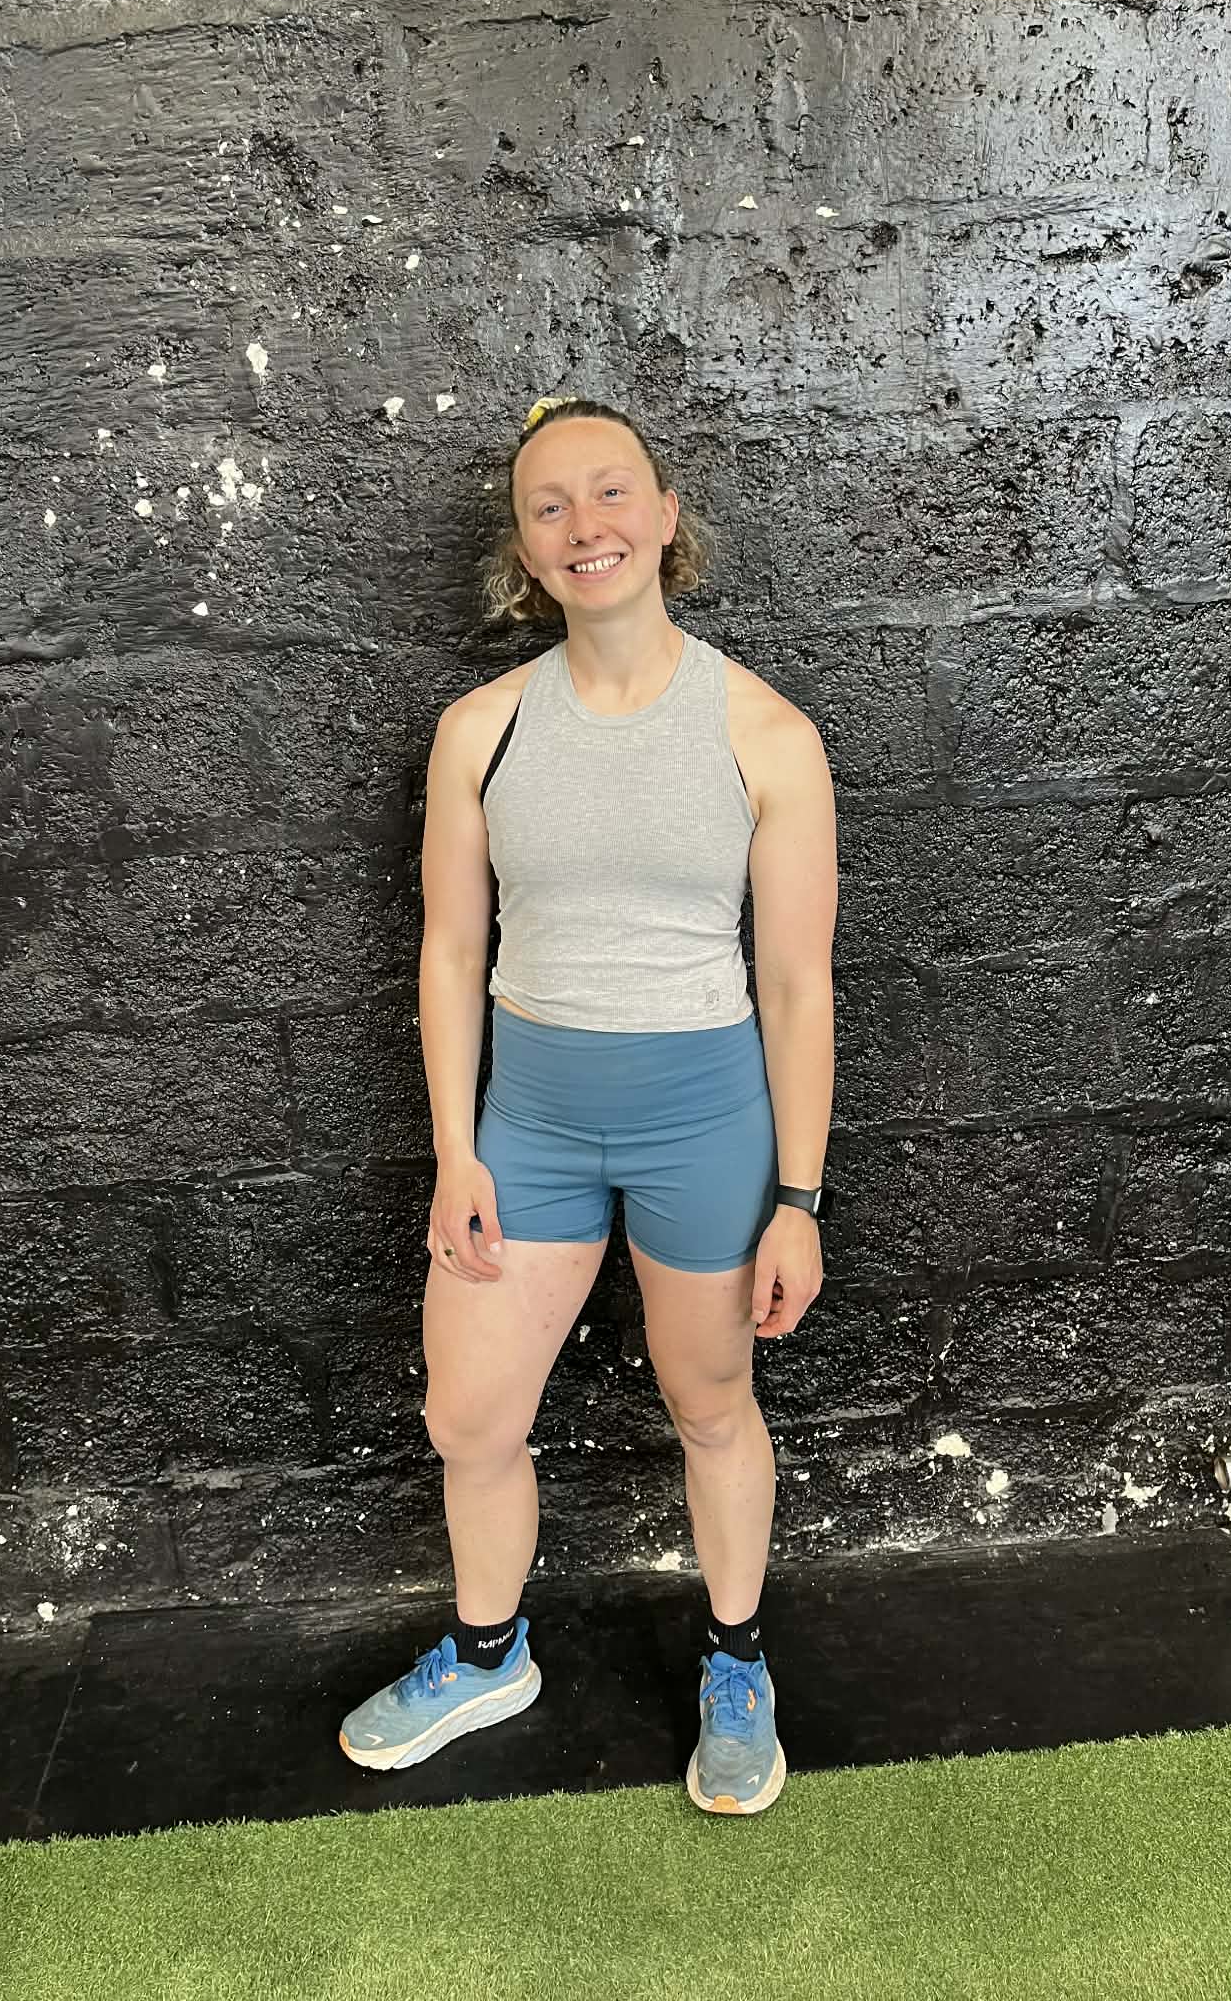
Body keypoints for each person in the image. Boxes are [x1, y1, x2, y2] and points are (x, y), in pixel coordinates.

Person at [338, 394, 837, 1815]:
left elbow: (799, 987)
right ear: (525, 549)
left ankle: (737, 1661)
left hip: (706, 1124)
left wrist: (796, 1197)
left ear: (668, 518)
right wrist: (456, 1150)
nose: (585, 525)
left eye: (611, 494)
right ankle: (490, 1653)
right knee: (470, 1419)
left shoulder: (765, 733)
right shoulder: (479, 731)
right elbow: (448, 948)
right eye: (551, 506)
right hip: (533, 1126)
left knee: (711, 1399)